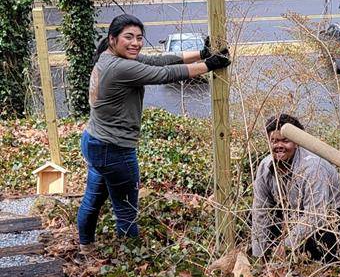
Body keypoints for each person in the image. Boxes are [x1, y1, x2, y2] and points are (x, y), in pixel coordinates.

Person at [77, 14, 231, 252]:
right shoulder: (120, 68)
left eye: (139, 38)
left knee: (93, 200)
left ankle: (86, 247)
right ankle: (130, 263)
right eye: (128, 37)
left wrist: (202, 53)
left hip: (95, 141)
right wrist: (209, 65)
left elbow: (159, 61)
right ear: (112, 39)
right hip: (115, 149)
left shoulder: (107, 59)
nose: (135, 43)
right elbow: (164, 75)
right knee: (126, 210)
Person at [251, 114, 340, 263]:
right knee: (260, 221)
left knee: (318, 243)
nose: (279, 146)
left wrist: (286, 246)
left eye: (285, 140)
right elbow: (260, 212)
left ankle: (333, 263)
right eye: (274, 141)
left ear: (297, 143)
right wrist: (259, 257)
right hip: (297, 212)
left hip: (338, 215)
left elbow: (315, 216)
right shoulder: (265, 166)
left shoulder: (313, 168)